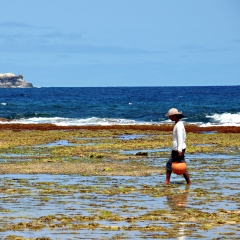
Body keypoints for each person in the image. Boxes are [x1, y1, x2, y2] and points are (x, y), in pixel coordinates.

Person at [165, 108, 191, 184]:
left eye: (170, 116)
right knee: (174, 164)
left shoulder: (179, 125)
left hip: (178, 149)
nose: (169, 118)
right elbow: (184, 137)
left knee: (176, 165)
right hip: (178, 148)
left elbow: (180, 137)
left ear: (174, 116)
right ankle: (188, 182)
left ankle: (167, 181)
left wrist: (179, 149)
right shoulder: (178, 124)